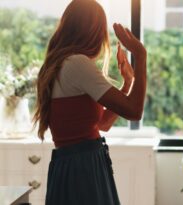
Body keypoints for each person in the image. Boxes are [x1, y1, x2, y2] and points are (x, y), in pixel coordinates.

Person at [33, 0, 147, 204]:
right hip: (83, 168)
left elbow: (102, 124)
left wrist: (128, 82)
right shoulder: (77, 63)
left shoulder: (61, 64)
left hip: (73, 166)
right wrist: (140, 55)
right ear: (93, 32)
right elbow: (135, 112)